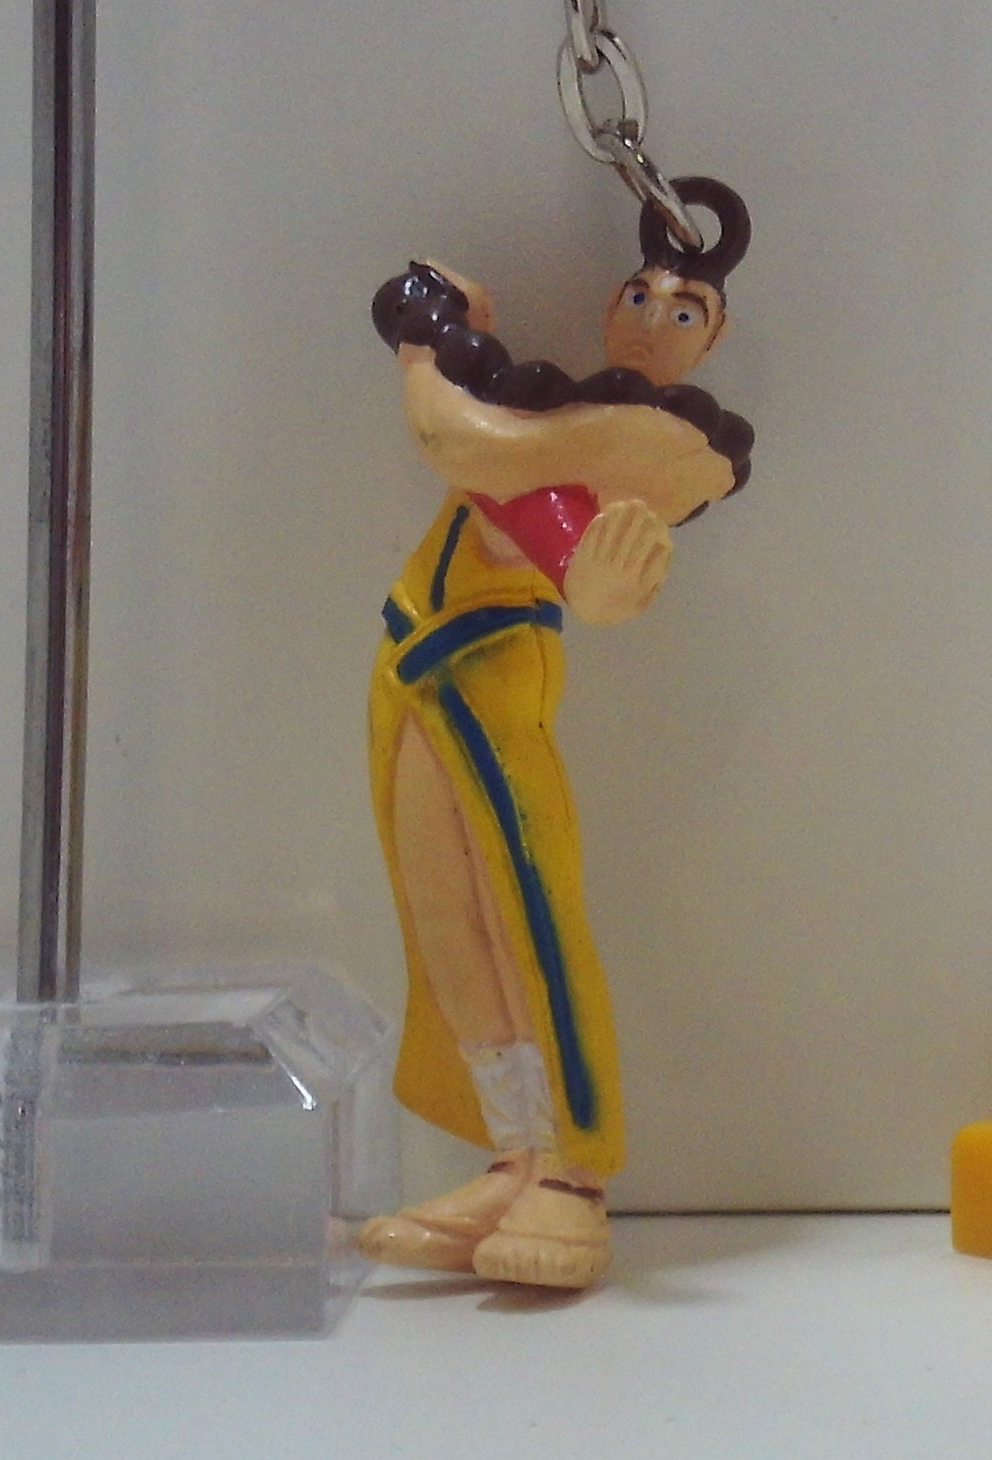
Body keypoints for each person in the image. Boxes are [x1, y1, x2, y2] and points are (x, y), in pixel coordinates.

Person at [358, 182, 750, 1289]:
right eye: (641, 297)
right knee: (448, 922)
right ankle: (513, 1154)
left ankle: (571, 1176)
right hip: (417, 672)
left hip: (488, 675)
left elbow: (545, 521)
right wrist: (439, 333)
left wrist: (597, 582)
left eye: (685, 312)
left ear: (713, 340)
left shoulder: (595, 452)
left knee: (525, 911)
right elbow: (460, 437)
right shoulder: (528, 418)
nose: (654, 319)